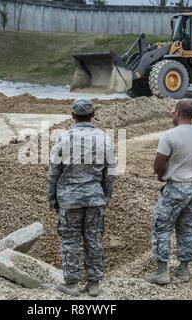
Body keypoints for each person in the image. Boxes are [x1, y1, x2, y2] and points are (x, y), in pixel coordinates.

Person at [49, 99, 115, 297]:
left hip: (69, 200)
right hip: (95, 198)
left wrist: (52, 198)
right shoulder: (105, 138)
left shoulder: (63, 138)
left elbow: (54, 172)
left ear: (73, 115)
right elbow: (110, 173)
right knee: (94, 239)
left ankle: (72, 283)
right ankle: (94, 284)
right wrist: (106, 196)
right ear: (92, 115)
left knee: (70, 241)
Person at [145, 99, 192, 285]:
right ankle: (183, 270)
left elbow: (158, 164)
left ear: (178, 113)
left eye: (174, 110)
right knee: (187, 228)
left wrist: (161, 175)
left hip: (176, 187)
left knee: (161, 226)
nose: (172, 113)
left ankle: (162, 271)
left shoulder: (169, 136)